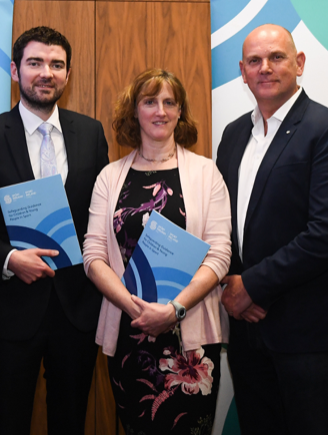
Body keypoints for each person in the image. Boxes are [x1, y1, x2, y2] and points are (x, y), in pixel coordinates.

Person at [0, 26, 108, 435]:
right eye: (35, 63)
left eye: (57, 65)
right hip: (11, 311)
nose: (46, 73)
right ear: (15, 70)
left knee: (70, 423)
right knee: (6, 424)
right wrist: (9, 259)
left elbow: (100, 217)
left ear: (68, 74)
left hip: (76, 310)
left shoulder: (91, 134)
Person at [215, 24, 328, 435]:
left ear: (299, 63)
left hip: (306, 335)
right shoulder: (233, 135)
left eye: (276, 57)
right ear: (242, 72)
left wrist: (251, 286)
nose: (265, 68)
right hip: (246, 331)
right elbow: (224, 223)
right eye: (254, 61)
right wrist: (233, 282)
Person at [82, 68, 231, 433]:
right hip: (129, 331)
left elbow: (219, 255)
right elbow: (93, 254)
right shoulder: (109, 177)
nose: (160, 111)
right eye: (150, 101)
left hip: (191, 342)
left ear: (181, 112)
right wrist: (132, 306)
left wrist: (173, 310)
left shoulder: (206, 173)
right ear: (134, 111)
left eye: (170, 102)